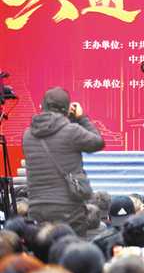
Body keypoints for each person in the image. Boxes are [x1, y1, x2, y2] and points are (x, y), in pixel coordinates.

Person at [22, 87, 105, 237]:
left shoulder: (28, 135)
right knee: (71, 250)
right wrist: (81, 118)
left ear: (42, 106)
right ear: (66, 109)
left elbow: (55, 132)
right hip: (69, 210)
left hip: (37, 208)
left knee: (42, 249)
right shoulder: (72, 131)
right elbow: (98, 143)